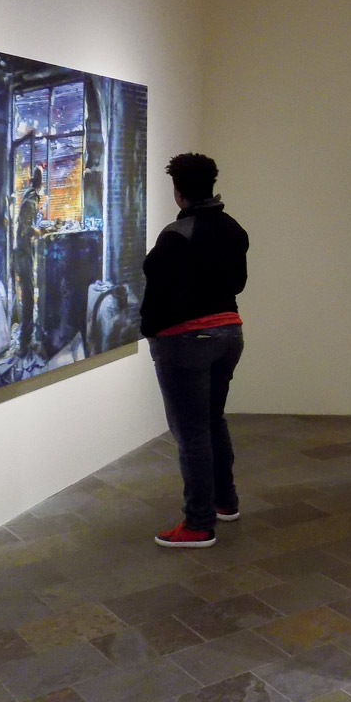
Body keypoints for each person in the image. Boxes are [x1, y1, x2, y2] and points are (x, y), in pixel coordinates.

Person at [141, 153, 250, 549]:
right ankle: (225, 501)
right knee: (211, 419)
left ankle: (199, 524)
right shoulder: (233, 229)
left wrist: (151, 331)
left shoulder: (176, 235)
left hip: (185, 341)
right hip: (228, 335)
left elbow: (155, 289)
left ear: (178, 192)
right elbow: (237, 284)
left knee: (192, 433)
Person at [13, 166, 44, 348]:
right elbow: (26, 228)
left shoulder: (28, 196)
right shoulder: (31, 200)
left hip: (23, 253)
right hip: (24, 255)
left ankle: (26, 337)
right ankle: (25, 341)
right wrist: (39, 231)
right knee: (28, 295)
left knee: (28, 294)